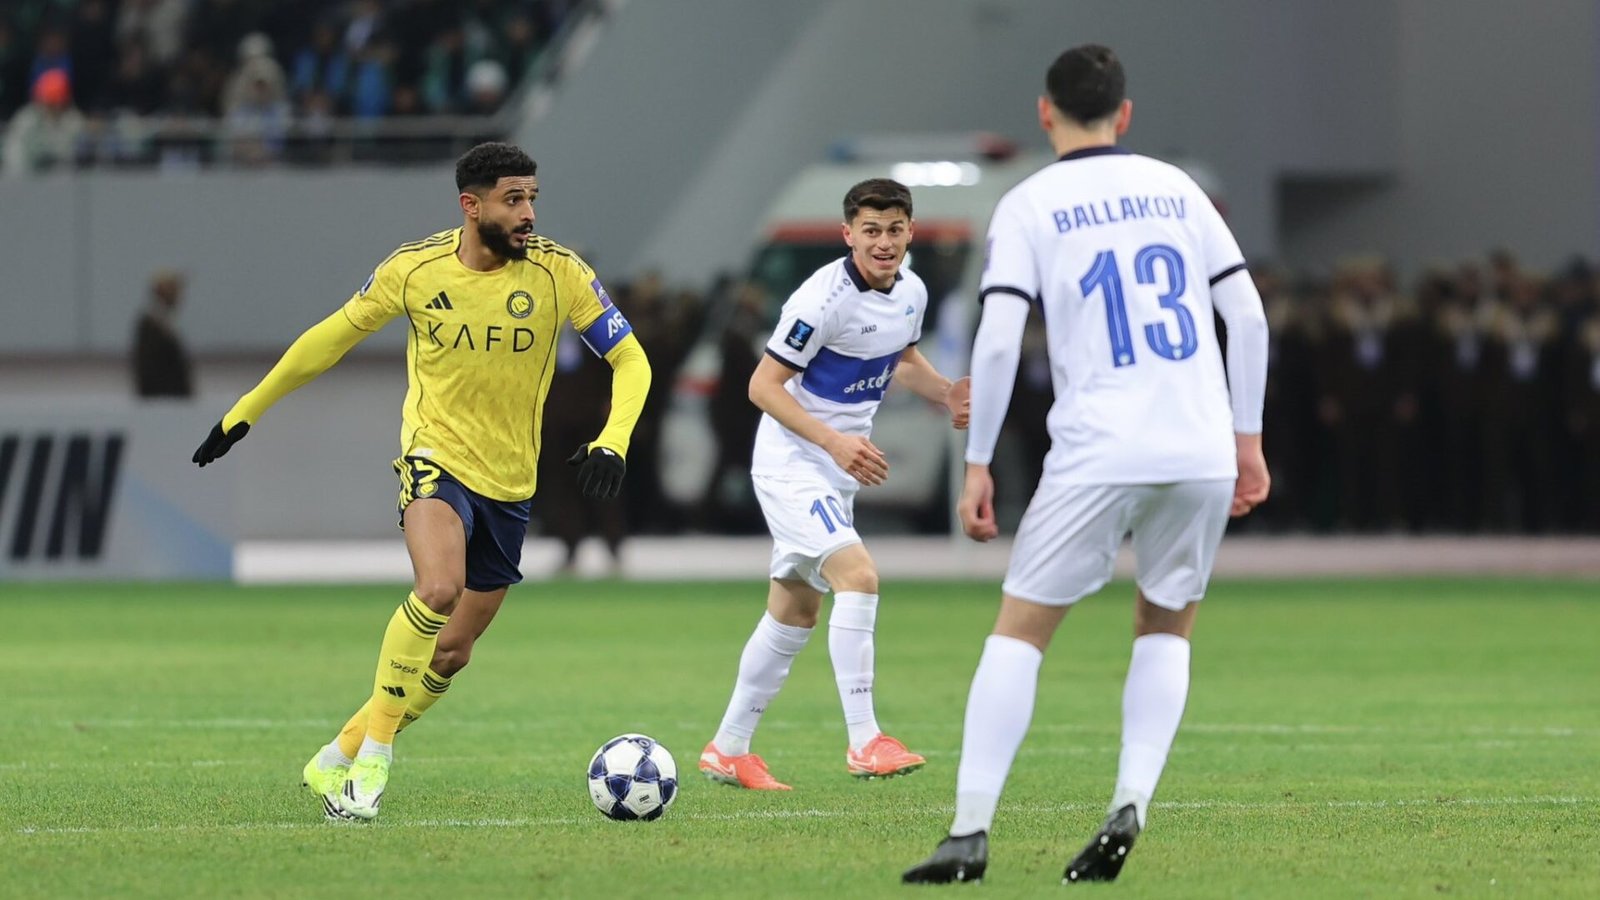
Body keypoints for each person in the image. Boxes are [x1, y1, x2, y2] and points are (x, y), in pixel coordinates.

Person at [190, 142, 651, 821]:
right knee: (438, 587)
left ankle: (337, 755)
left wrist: (613, 442)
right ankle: (374, 760)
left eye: (533, 199)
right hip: (433, 458)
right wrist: (246, 411)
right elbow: (330, 338)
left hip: (510, 482)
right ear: (472, 205)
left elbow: (631, 359)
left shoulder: (561, 274)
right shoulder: (415, 269)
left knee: (454, 651)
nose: (529, 214)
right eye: (513, 200)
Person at [902, 45, 1269, 885]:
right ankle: (1131, 799)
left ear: (1045, 112)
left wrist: (980, 461)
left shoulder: (1031, 203)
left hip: (1101, 445)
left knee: (1022, 630)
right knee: (1167, 621)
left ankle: (968, 831)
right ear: (1125, 114)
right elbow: (1245, 317)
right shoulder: (1179, 189)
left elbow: (998, 340)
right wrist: (1246, 440)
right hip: (1200, 443)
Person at [699, 178, 971, 790]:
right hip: (794, 462)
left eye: (894, 230)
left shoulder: (913, 291)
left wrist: (946, 391)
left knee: (794, 611)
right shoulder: (820, 300)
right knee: (861, 576)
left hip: (832, 466)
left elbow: (900, 358)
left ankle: (728, 747)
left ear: (909, 232)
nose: (883, 243)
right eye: (870, 231)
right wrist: (834, 442)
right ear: (848, 234)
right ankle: (865, 739)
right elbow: (762, 387)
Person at [131, 268, 194, 398]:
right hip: (160, 400)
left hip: (170, 400)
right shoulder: (152, 325)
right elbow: (149, 369)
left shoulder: (164, 323)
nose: (178, 295)